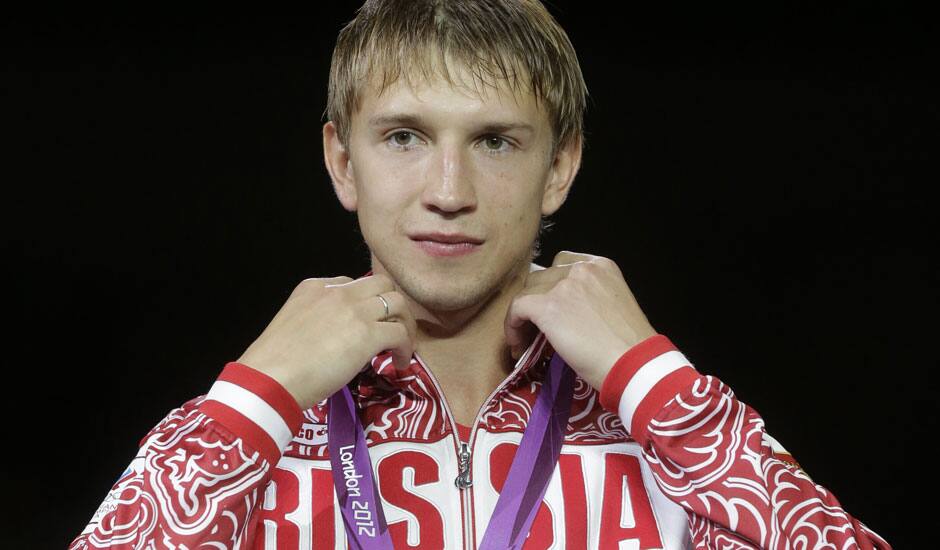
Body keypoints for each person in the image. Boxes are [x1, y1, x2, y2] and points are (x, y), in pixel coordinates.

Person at [70, 1, 890, 548]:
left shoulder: (664, 433)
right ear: (340, 161)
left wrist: (654, 383)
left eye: (495, 141)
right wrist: (254, 403)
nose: (449, 194)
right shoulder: (255, 428)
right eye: (404, 137)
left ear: (559, 168)